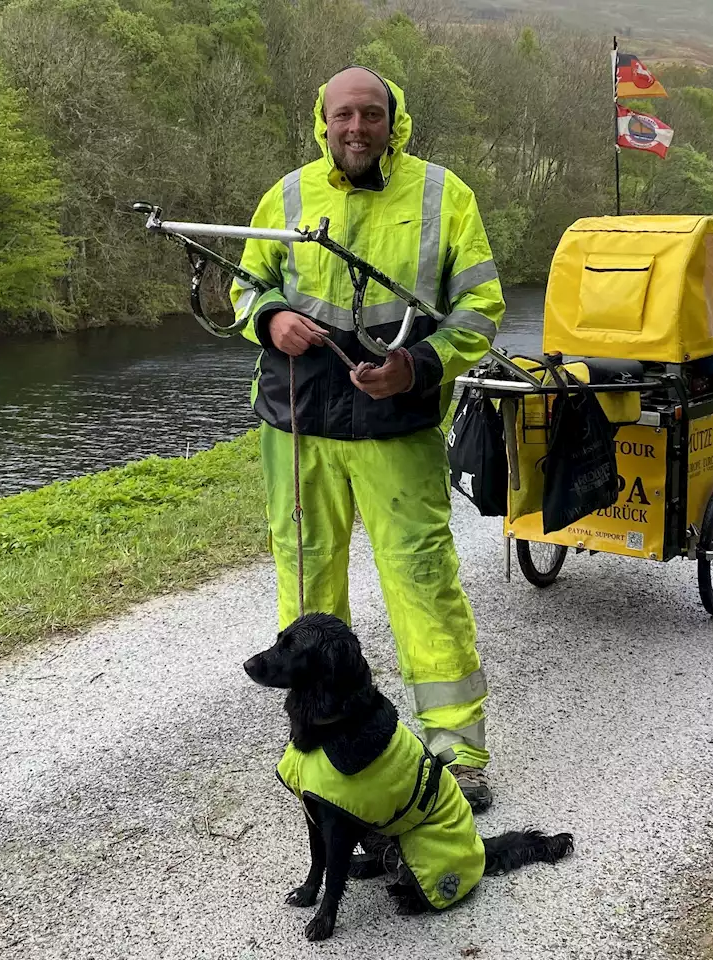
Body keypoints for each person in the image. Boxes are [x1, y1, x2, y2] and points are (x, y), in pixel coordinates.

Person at [230, 66, 506, 810]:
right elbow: (244, 282)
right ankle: (322, 740)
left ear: (395, 121)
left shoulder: (445, 196)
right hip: (297, 424)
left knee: (422, 585)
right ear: (322, 123)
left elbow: (480, 307)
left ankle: (457, 755)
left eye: (371, 115)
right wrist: (270, 318)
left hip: (395, 424)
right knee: (307, 590)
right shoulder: (286, 195)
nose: (357, 128)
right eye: (343, 115)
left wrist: (416, 366)